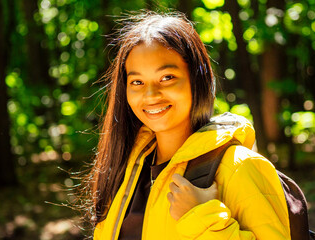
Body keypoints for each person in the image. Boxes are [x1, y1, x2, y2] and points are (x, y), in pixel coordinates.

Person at [87, 11, 291, 240]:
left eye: (167, 77)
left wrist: (202, 218)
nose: (151, 94)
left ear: (196, 79)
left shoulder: (240, 167)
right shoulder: (126, 167)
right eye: (137, 82)